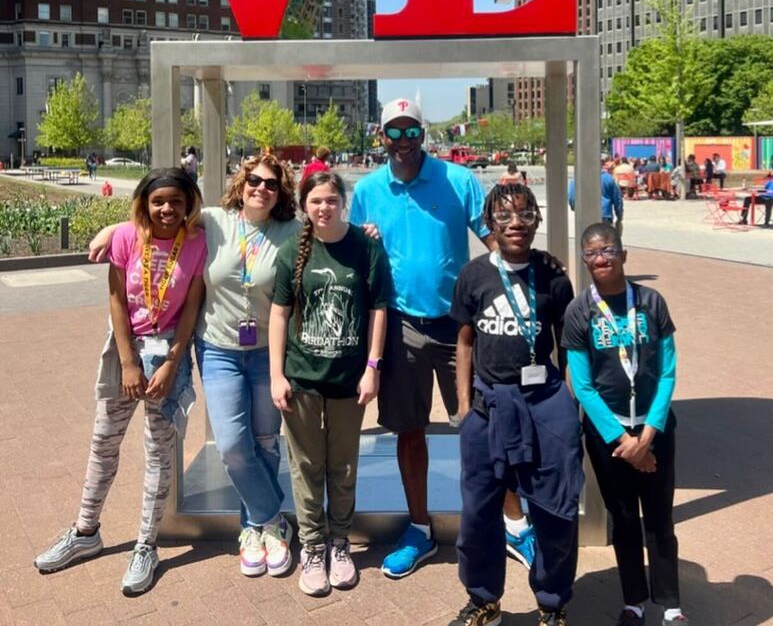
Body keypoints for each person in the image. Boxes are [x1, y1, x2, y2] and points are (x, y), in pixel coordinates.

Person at [89, 150, 300, 578]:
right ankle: (275, 518)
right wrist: (115, 228)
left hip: (267, 352)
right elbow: (159, 216)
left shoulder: (293, 231)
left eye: (271, 184)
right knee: (231, 445)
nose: (261, 189)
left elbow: (333, 233)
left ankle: (255, 529)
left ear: (281, 193)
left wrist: (366, 231)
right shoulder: (215, 221)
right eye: (254, 182)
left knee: (265, 442)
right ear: (240, 186)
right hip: (219, 350)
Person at [349, 98, 510, 578]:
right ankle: (419, 527)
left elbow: (495, 242)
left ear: (424, 133)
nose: (402, 142)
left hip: (458, 326)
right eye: (393, 134)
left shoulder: (458, 180)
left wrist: (523, 286)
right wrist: (362, 240)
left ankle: (504, 522)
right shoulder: (368, 189)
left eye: (410, 132)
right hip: (400, 327)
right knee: (409, 429)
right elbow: (353, 251)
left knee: (480, 428)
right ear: (381, 138)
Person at [35, 168, 206, 595]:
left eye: (177, 202)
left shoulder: (199, 242)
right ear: (145, 204)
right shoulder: (127, 239)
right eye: (158, 201)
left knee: (158, 453)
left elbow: (191, 311)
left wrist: (170, 362)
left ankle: (147, 545)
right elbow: (115, 298)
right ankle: (85, 531)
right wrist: (129, 362)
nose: (167, 209)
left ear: (189, 206)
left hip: (169, 355)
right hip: (126, 351)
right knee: (103, 442)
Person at [448, 183, 583, 626]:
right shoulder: (474, 275)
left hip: (543, 402)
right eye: (504, 217)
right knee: (478, 513)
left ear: (537, 221)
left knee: (554, 510)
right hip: (489, 407)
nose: (516, 225)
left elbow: (568, 346)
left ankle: (552, 603)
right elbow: (465, 339)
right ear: (490, 224)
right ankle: (484, 599)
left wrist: (567, 402)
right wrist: (465, 405)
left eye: (524, 215)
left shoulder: (553, 276)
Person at [270, 171, 390, 596]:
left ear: (344, 202)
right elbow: (280, 313)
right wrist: (276, 375)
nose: (324, 208)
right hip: (302, 379)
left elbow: (379, 308)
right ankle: (313, 546)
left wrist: (372, 366)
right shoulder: (293, 251)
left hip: (348, 379)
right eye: (316, 201)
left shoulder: (366, 247)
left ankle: (340, 542)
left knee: (343, 466)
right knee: (306, 467)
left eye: (331, 200)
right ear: (305, 205)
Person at [562, 223, 687, 626]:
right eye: (592, 253)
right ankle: (633, 600)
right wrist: (624, 441)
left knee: (660, 519)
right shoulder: (580, 311)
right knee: (624, 519)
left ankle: (670, 605)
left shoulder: (651, 302)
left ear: (624, 254)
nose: (601, 259)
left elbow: (667, 372)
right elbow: (581, 384)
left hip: (655, 430)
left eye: (608, 250)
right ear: (584, 261)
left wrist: (648, 434)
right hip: (608, 438)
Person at [568, 165, 624, 233]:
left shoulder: (577, 178)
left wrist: (575, 208)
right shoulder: (608, 178)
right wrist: (619, 216)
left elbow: (571, 197)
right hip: (604, 214)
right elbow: (617, 199)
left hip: (584, 214)